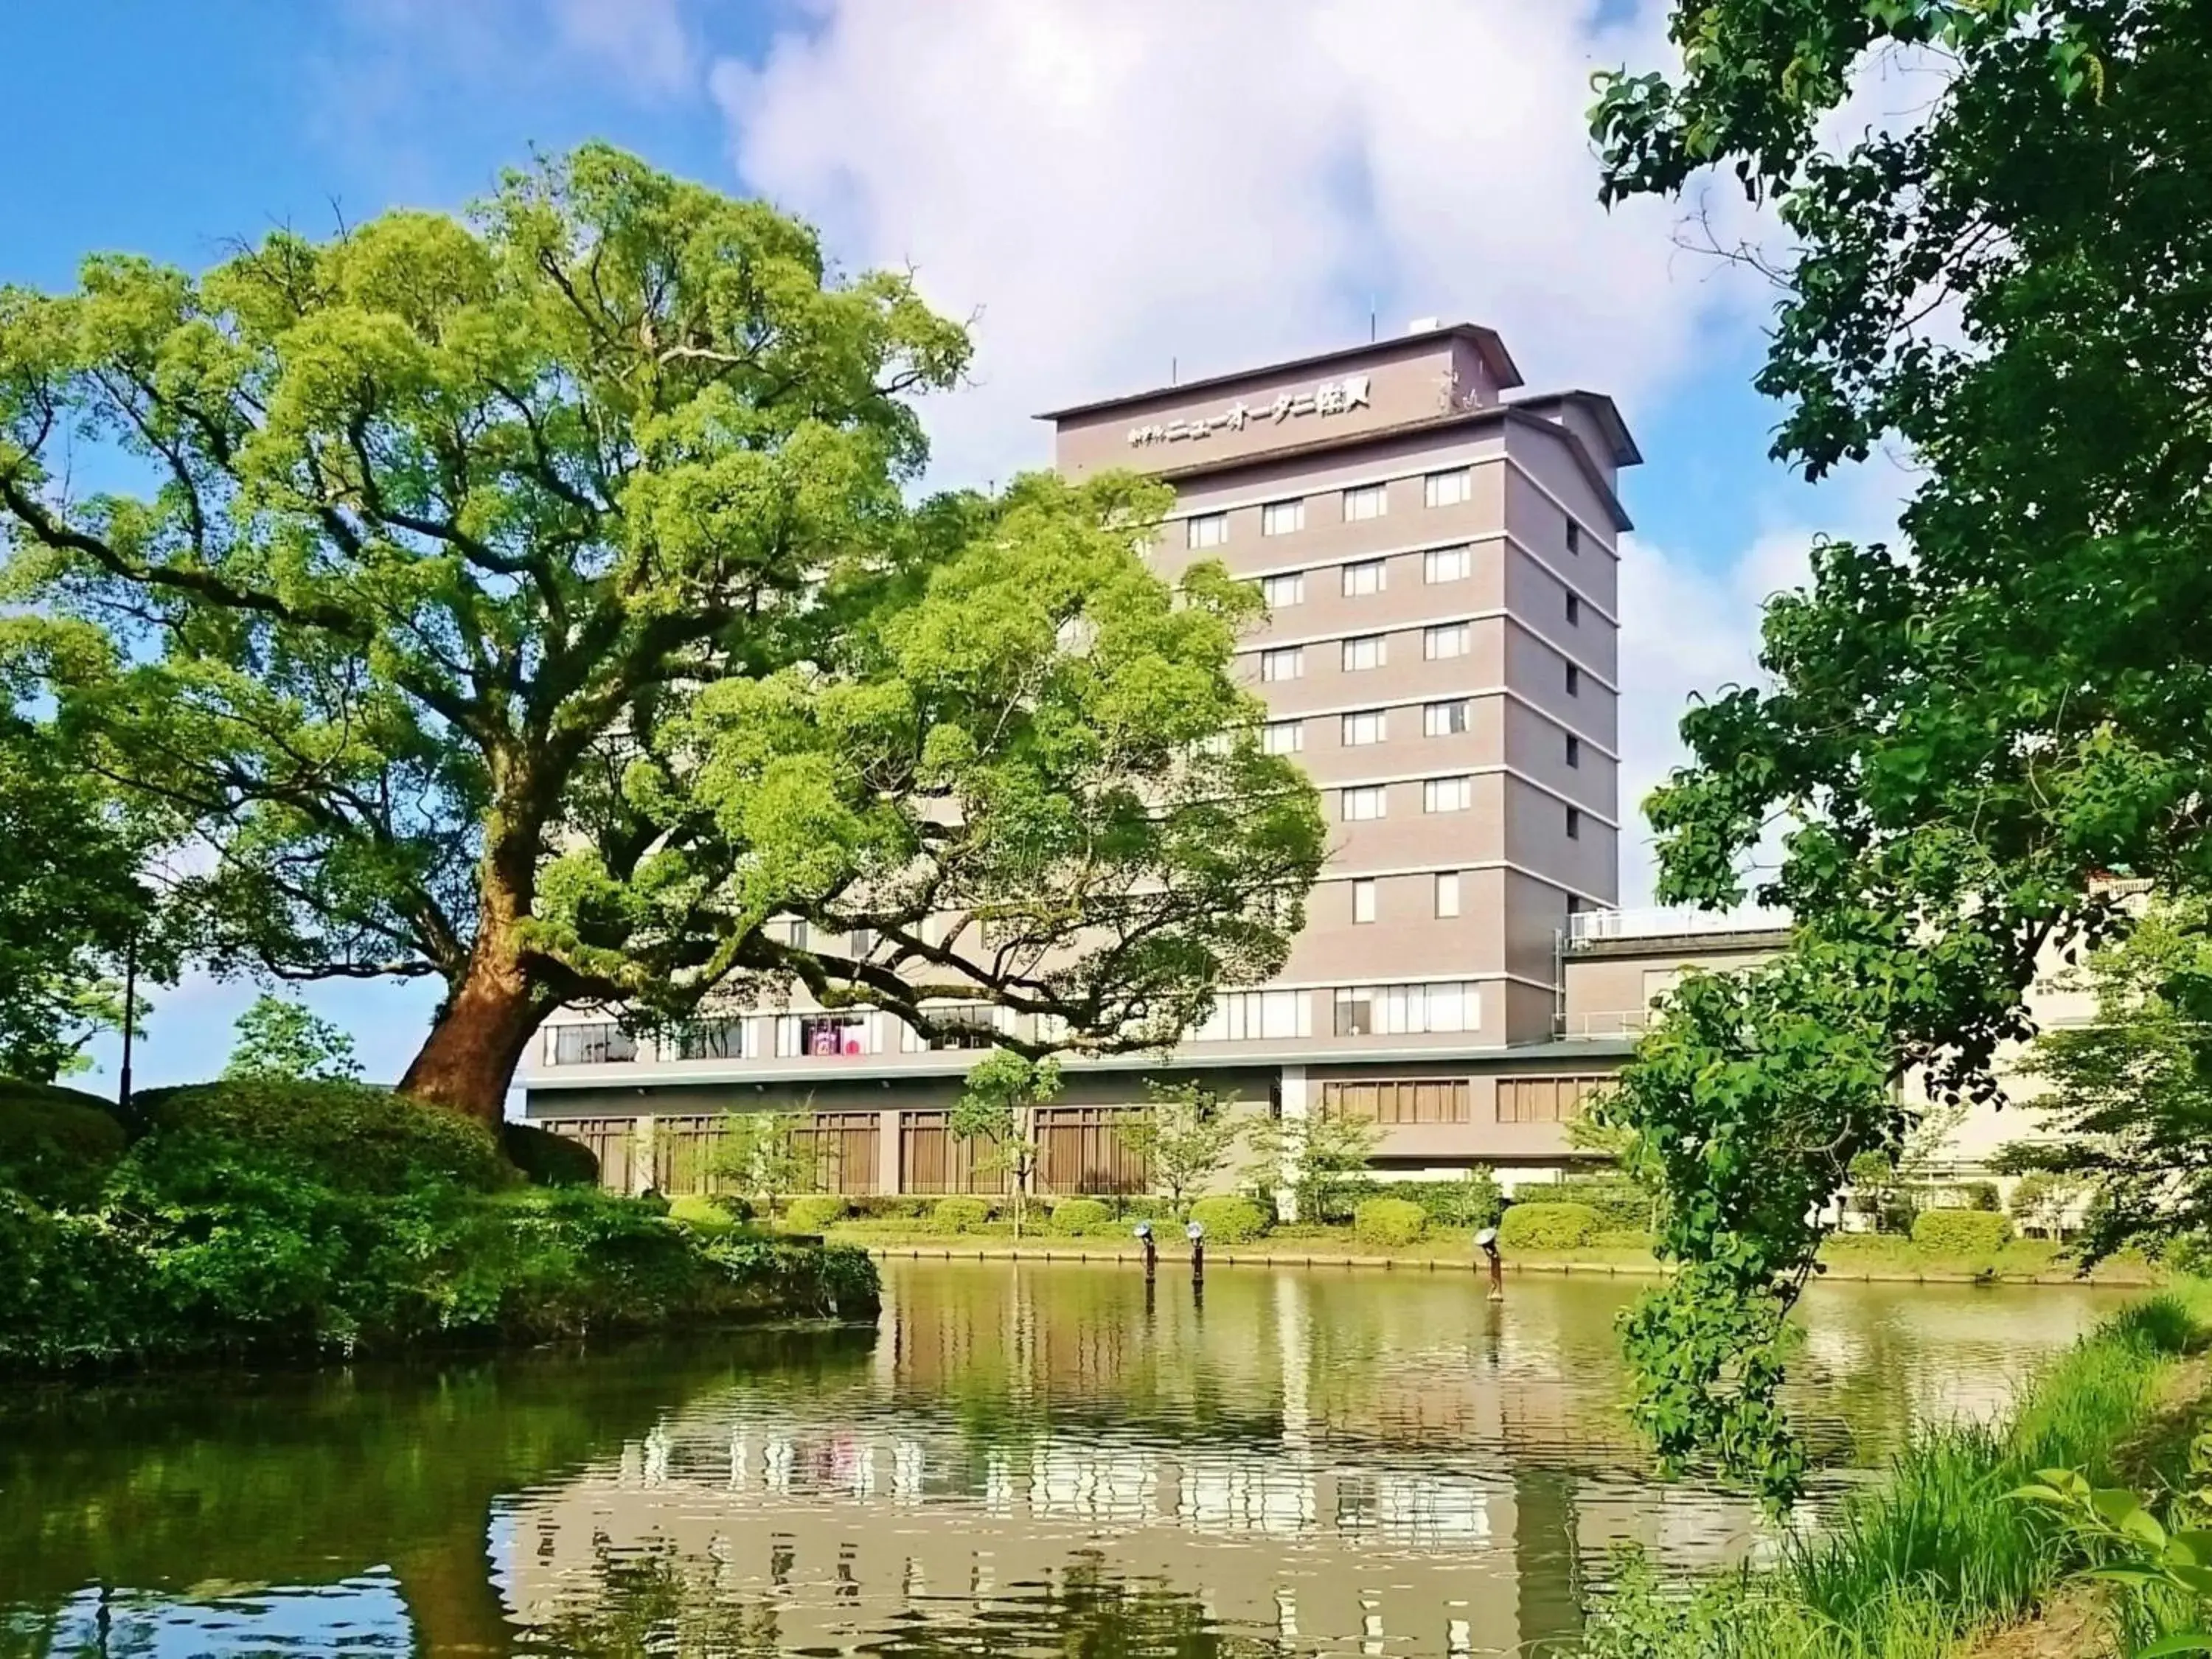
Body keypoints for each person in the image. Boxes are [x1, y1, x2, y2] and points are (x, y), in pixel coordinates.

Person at [1475, 1225, 1503, 1302]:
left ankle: (1492, 1294)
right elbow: (1490, 1256)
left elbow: (1492, 1256)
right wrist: (1485, 1250)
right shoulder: (1494, 1255)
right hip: (1494, 1270)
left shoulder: (1495, 1255)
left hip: (1495, 1271)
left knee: (1495, 1283)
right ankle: (1494, 1294)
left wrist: (1486, 1250)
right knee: (1495, 1282)